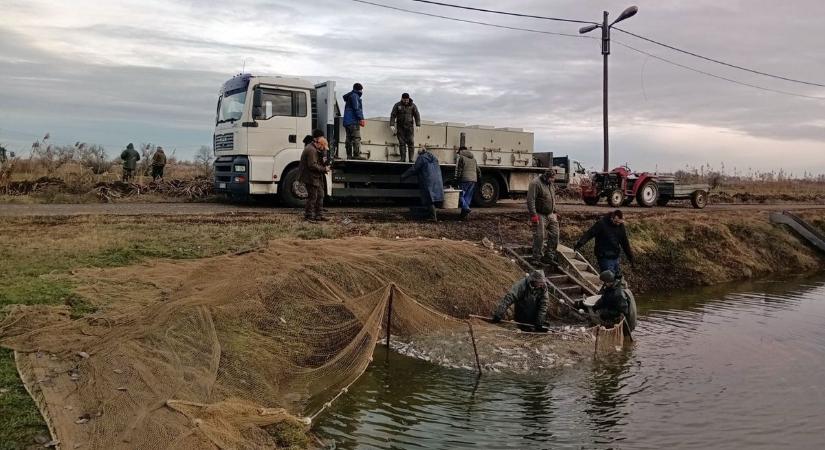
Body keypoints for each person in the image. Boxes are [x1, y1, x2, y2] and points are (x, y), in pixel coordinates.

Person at [574, 209, 635, 275]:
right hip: (604, 257)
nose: (618, 224)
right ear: (612, 218)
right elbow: (590, 233)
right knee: (609, 278)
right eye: (616, 222)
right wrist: (580, 243)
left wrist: (630, 258)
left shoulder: (620, 226)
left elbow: (625, 242)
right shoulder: (602, 224)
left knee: (617, 280)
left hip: (615, 256)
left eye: (619, 222)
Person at [401, 148, 443, 222]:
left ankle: (433, 217)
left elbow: (414, 169)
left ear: (420, 153)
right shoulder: (434, 157)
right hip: (437, 179)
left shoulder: (421, 158)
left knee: (428, 198)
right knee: (432, 197)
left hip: (427, 179)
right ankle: (431, 214)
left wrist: (404, 175)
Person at [527, 168, 559, 265]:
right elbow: (530, 200)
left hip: (550, 214)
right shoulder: (535, 183)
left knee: (555, 235)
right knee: (540, 236)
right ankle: (536, 258)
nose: (553, 180)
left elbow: (552, 198)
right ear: (546, 177)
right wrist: (534, 215)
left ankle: (549, 256)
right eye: (551, 178)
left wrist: (555, 211)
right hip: (539, 213)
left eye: (553, 178)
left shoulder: (550, 184)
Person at [298, 129, 329, 221]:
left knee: (320, 195)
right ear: (318, 143)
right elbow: (312, 165)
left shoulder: (315, 149)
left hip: (316, 176)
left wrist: (324, 154)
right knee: (312, 197)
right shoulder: (311, 150)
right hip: (310, 177)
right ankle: (309, 216)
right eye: (322, 147)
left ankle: (319, 215)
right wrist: (324, 169)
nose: (323, 149)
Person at [389, 93, 421, 162]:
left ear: (409, 98)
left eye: (407, 100)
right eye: (404, 100)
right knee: (402, 143)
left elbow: (417, 115)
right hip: (400, 127)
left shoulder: (413, 106)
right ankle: (402, 159)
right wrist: (391, 124)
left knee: (411, 143)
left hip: (409, 128)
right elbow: (393, 115)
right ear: (402, 99)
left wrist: (418, 125)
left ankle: (411, 159)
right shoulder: (397, 105)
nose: (406, 101)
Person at [454, 146, 481, 221]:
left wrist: (456, 179)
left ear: (461, 151)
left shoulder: (461, 158)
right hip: (473, 180)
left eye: (459, 152)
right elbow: (478, 170)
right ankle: (463, 215)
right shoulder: (473, 159)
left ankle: (466, 208)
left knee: (460, 195)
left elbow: (459, 170)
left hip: (464, 179)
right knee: (468, 197)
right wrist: (479, 179)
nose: (458, 154)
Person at [342, 83, 365, 160]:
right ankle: (356, 155)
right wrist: (361, 118)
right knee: (356, 138)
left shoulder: (349, 96)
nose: (362, 91)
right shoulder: (355, 96)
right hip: (353, 121)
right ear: (359, 89)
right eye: (361, 90)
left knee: (348, 138)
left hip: (347, 121)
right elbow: (357, 108)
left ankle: (349, 155)